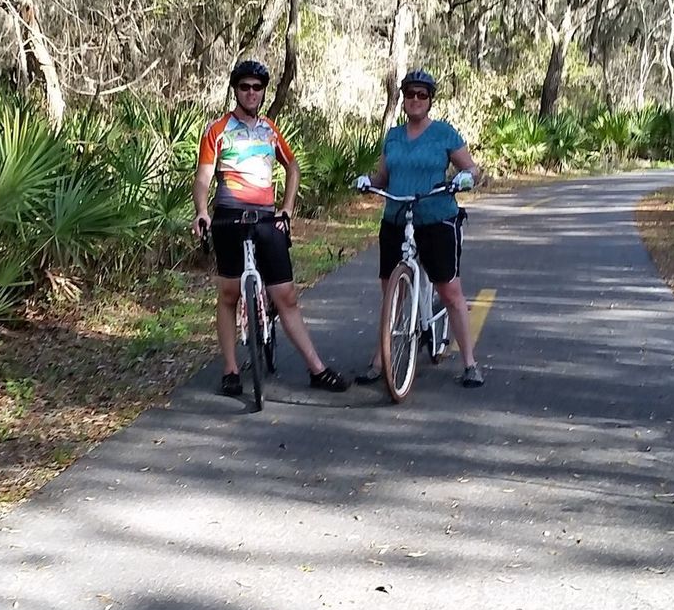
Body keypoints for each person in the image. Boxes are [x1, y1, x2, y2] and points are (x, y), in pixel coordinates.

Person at [193, 60, 350, 397]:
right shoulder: (217, 130)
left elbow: (292, 166)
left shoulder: (270, 130)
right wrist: (202, 211)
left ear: (264, 92)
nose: (251, 93)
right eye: (245, 87)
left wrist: (287, 209)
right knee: (229, 294)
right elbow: (204, 176)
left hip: (266, 218)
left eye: (257, 87)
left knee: (286, 296)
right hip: (229, 218)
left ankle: (317, 369)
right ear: (235, 90)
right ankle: (231, 370)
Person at [354, 68, 485, 388]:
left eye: (421, 95)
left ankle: (470, 363)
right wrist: (367, 182)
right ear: (402, 98)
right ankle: (380, 359)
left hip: (436, 218)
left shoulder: (443, 133)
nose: (415, 99)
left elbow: (472, 168)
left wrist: (465, 177)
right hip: (396, 218)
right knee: (391, 294)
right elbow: (382, 178)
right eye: (409, 94)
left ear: (430, 100)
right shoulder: (393, 136)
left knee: (450, 291)